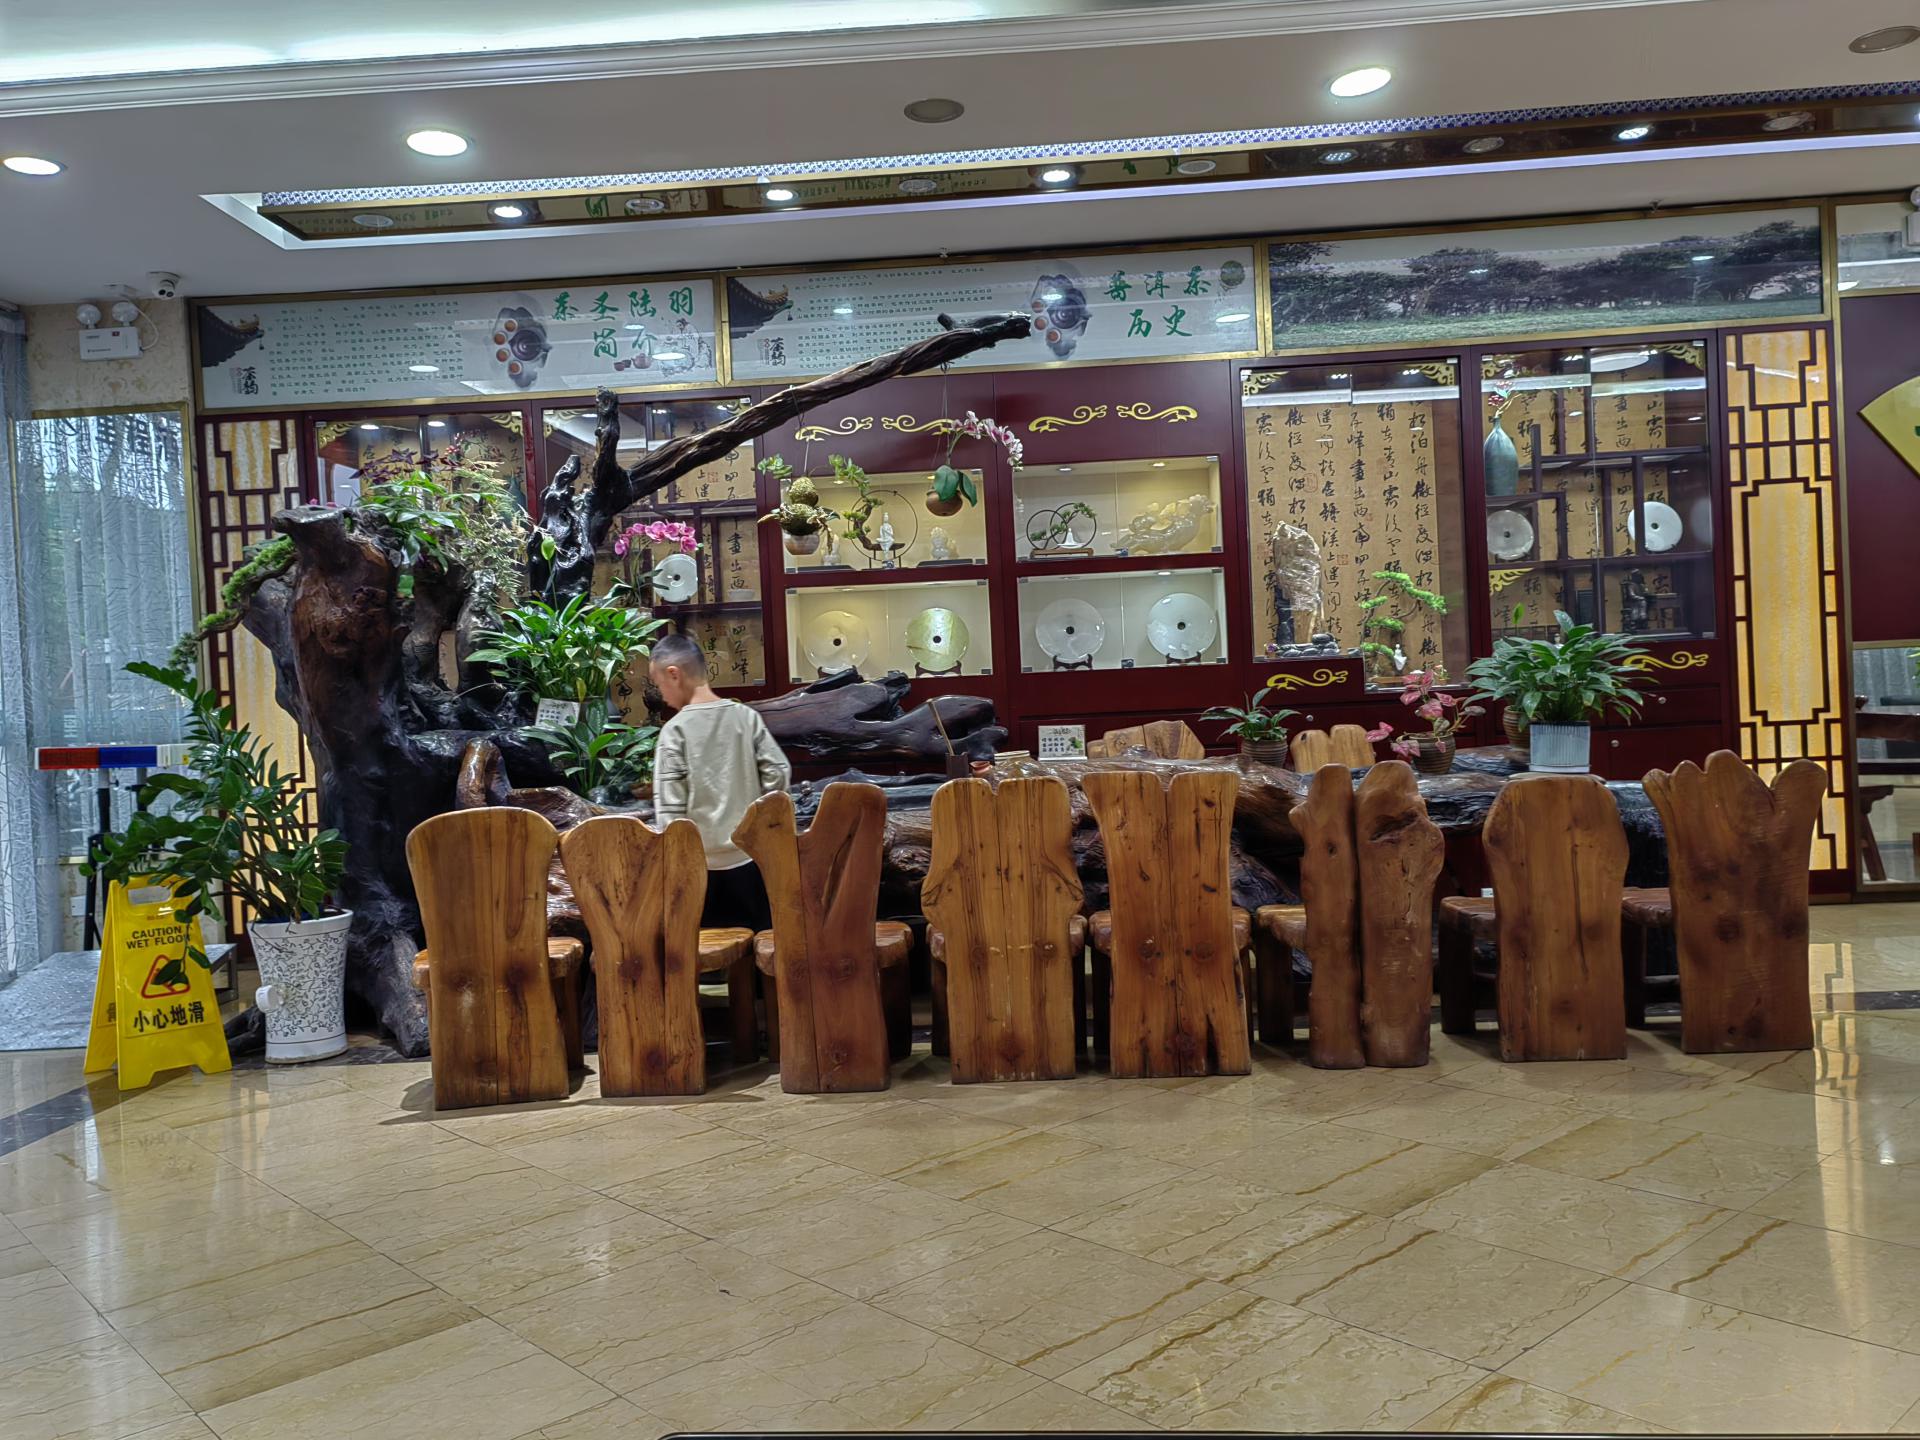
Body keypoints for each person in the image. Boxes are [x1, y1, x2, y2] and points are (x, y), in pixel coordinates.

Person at [649, 633, 791, 931]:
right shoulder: (746, 718)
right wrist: (759, 826)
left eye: (659, 685)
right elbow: (778, 772)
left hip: (700, 871)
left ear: (674, 674)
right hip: (751, 863)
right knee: (760, 947)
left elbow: (671, 813)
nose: (661, 696)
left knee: (709, 953)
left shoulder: (674, 732)